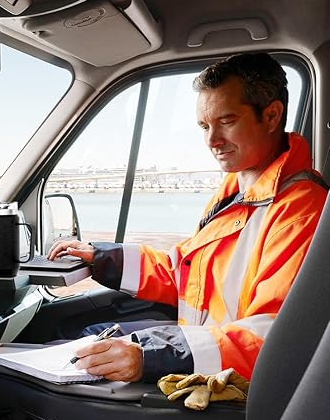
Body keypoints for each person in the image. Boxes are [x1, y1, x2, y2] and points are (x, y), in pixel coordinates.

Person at [48, 52, 328, 383]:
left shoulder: (300, 210)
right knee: (85, 340)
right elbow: (188, 273)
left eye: (226, 121)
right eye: (204, 126)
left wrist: (150, 355)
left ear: (271, 116)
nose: (212, 141)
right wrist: (103, 258)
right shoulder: (236, 191)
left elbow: (274, 335)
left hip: (233, 387)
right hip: (208, 356)